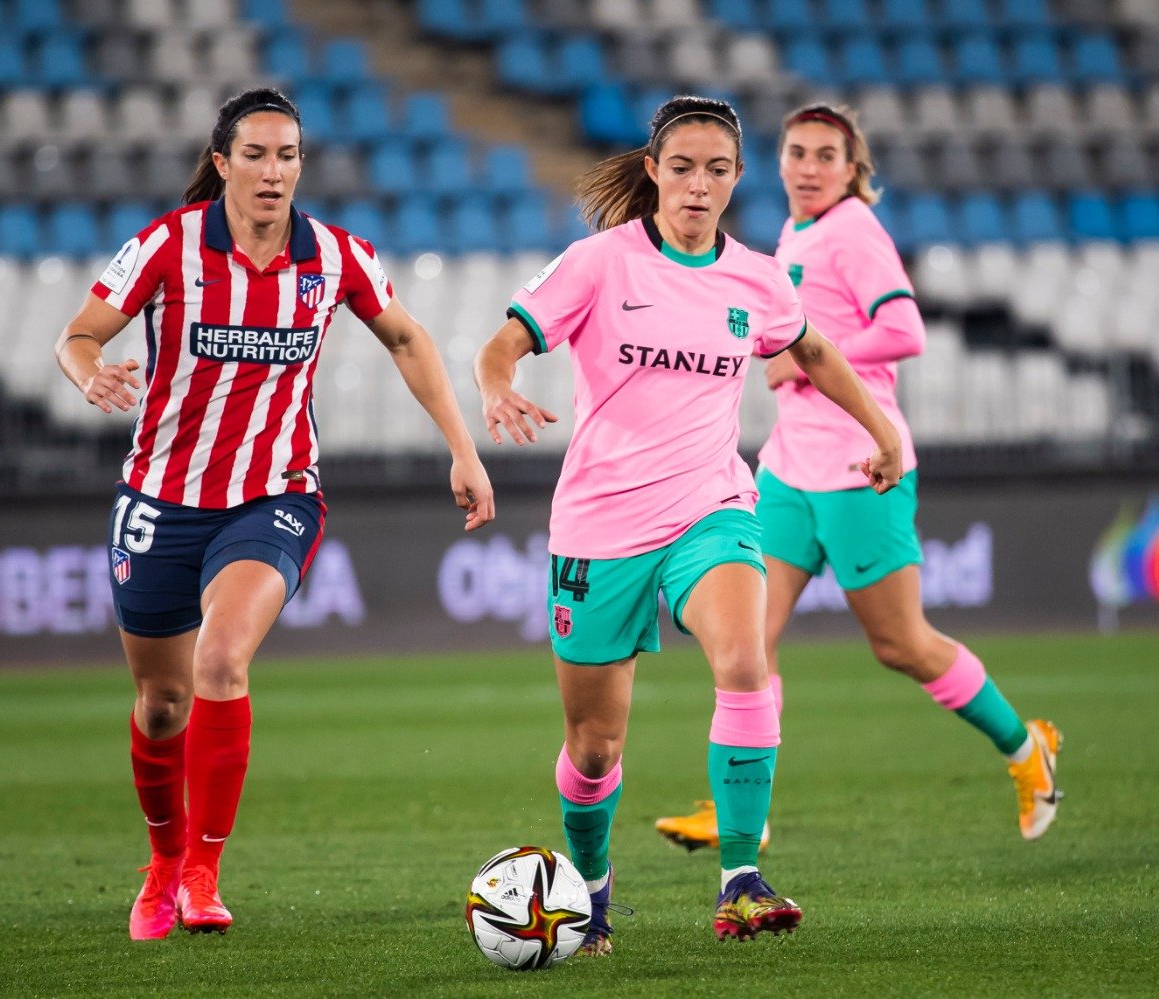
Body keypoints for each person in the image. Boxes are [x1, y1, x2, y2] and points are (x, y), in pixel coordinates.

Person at [53, 87, 495, 941]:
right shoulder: (166, 245)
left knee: (222, 658)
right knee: (161, 703)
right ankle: (162, 861)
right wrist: (89, 374)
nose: (272, 170)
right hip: (161, 499)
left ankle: (203, 873)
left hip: (274, 493)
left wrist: (463, 449)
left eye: (287, 155)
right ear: (222, 162)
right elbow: (78, 334)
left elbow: (407, 337)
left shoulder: (333, 257)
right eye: (254, 154)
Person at [474, 95, 904, 950]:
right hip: (599, 528)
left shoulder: (755, 275)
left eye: (716, 170)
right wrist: (495, 387)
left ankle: (740, 878)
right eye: (682, 167)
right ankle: (590, 890)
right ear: (653, 172)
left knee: (746, 659)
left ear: (737, 179)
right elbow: (504, 343)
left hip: (712, 508)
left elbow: (813, 350)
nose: (699, 185)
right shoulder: (601, 262)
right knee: (594, 749)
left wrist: (883, 430)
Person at [654, 103, 1061, 855]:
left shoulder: (852, 231)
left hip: (858, 465)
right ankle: (746, 812)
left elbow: (905, 329)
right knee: (748, 641)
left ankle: (1024, 745)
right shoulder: (795, 231)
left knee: (901, 643)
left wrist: (806, 356)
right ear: (777, 164)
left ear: (851, 170)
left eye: (825, 156)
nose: (808, 167)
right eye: (797, 152)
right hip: (786, 468)